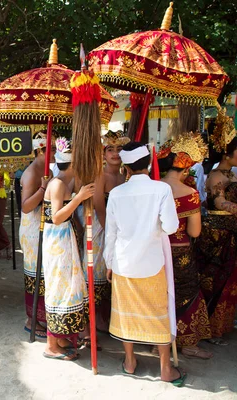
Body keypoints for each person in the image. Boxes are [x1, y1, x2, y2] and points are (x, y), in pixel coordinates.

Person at [105, 142, 184, 386]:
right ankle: (165, 368)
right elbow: (171, 227)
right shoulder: (161, 190)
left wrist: (109, 262)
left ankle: (130, 362)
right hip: (151, 263)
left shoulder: (117, 193)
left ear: (126, 167)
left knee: (126, 316)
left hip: (123, 263)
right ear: (149, 163)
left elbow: (111, 233)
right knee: (157, 313)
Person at [159, 133, 212, 359]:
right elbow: (194, 232)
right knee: (187, 292)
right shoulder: (190, 194)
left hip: (157, 250)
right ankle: (188, 342)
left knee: (161, 294)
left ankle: (158, 342)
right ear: (187, 169)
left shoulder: (155, 187)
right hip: (180, 251)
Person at [42, 137, 92, 361]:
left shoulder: (61, 182)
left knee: (66, 287)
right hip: (57, 241)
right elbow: (57, 217)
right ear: (71, 165)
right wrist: (79, 198)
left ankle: (61, 337)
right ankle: (51, 345)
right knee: (58, 289)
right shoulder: (58, 184)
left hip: (63, 240)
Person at [195, 114, 237, 346]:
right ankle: (210, 327)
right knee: (215, 280)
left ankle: (222, 324)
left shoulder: (230, 174)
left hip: (229, 230)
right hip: (218, 232)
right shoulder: (217, 175)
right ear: (227, 153)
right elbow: (219, 202)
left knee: (229, 280)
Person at [90, 130, 129, 332]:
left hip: (121, 229)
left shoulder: (126, 176)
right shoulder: (101, 176)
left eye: (119, 149)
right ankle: (96, 319)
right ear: (103, 154)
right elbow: (98, 206)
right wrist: (109, 233)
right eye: (110, 149)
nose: (115, 153)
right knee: (99, 270)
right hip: (101, 227)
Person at [19, 132, 53, 335]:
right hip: (32, 228)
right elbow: (25, 206)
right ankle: (32, 319)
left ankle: (42, 317)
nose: (56, 154)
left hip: (43, 226)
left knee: (43, 273)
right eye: (53, 150)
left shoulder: (46, 168)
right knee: (35, 274)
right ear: (40, 150)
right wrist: (43, 189)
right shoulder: (33, 172)